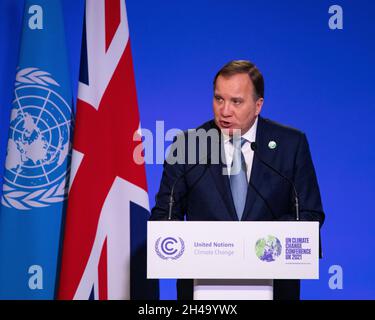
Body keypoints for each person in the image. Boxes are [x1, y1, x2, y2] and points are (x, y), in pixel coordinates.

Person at [150, 60, 325, 300]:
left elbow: (310, 214)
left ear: (258, 105)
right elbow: (164, 215)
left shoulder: (290, 145)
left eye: (236, 102)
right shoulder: (188, 146)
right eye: (219, 99)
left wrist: (256, 240)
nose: (224, 111)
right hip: (204, 291)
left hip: (275, 287)